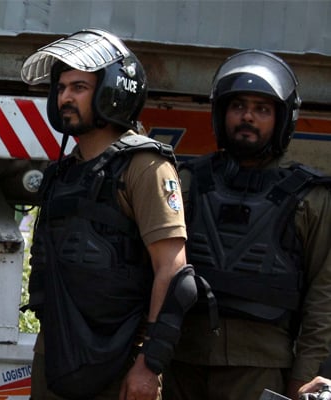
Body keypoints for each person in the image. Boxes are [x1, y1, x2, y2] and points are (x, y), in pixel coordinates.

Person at [20, 29, 209, 400]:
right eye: (60, 88)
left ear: (113, 92)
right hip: (58, 357)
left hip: (121, 362)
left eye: (78, 87)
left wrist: (149, 364)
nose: (65, 98)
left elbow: (173, 273)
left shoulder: (144, 167)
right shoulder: (62, 173)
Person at [163, 50, 331, 399]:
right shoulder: (186, 181)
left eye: (262, 109)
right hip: (182, 357)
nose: (248, 117)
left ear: (283, 119)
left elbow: (323, 298)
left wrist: (305, 376)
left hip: (261, 366)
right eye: (238, 106)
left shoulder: (310, 199)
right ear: (221, 113)